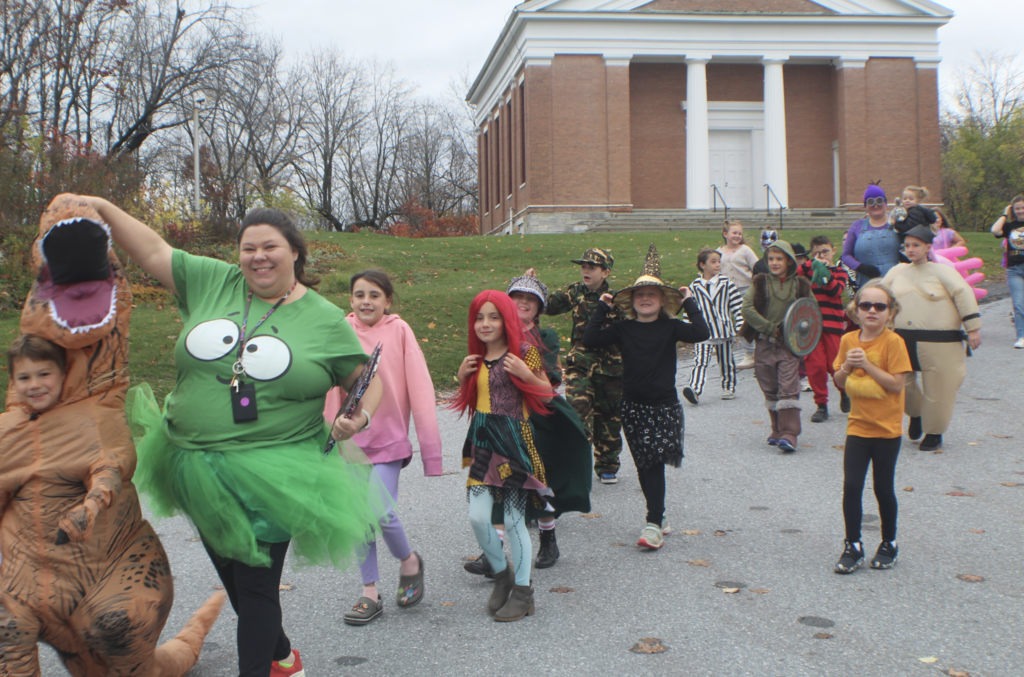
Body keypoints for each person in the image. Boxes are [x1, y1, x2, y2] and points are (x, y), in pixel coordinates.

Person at [91, 199, 386, 677]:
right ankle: (283, 654)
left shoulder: (324, 319)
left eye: (271, 246)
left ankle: (266, 668)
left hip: (277, 473)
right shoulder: (213, 280)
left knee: (254, 588)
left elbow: (368, 381)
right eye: (248, 248)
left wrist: (360, 418)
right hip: (192, 464)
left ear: (295, 252)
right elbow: (152, 250)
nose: (258, 257)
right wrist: (103, 209)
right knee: (236, 580)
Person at [321, 270, 442, 626]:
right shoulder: (340, 330)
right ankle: (369, 592)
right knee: (359, 519)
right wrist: (326, 433)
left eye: (374, 295)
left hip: (389, 439)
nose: (366, 302)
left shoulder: (399, 330)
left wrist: (430, 449)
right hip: (349, 442)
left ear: (387, 301)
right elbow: (327, 386)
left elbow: (420, 387)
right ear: (350, 299)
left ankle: (409, 561)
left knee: (380, 510)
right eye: (359, 294)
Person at [583, 245, 710, 550]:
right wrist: (601, 307)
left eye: (652, 294)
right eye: (640, 295)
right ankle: (660, 513)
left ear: (663, 301)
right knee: (643, 463)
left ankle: (653, 522)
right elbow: (590, 339)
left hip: (663, 406)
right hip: (632, 407)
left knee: (653, 461)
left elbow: (702, 332)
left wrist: (690, 302)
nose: (645, 298)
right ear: (632, 301)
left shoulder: (671, 327)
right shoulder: (623, 328)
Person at [464, 277, 593, 575]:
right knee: (496, 481)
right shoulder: (489, 336)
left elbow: (548, 384)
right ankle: (493, 552)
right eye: (517, 297)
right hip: (499, 422)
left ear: (539, 309)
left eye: (530, 299)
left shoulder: (544, 337)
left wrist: (524, 372)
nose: (523, 303)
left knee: (540, 484)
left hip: (539, 418)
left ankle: (548, 538)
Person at [454, 291, 554, 622]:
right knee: (478, 517)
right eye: (480, 317)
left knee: (513, 521)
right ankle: (501, 575)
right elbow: (472, 396)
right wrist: (461, 376)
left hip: (514, 442)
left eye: (494, 316)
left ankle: (523, 593)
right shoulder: (475, 357)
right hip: (483, 441)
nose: (485, 324)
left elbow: (548, 393)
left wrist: (526, 374)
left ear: (507, 319)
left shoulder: (525, 353)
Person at [832, 280, 912, 574]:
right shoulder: (848, 340)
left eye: (880, 306)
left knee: (882, 488)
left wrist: (866, 364)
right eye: (866, 305)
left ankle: (889, 542)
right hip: (858, 428)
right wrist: (847, 367)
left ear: (890, 313)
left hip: (887, 430)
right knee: (851, 485)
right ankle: (853, 545)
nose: (873, 311)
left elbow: (896, 384)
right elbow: (838, 382)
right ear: (856, 310)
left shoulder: (894, 342)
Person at [882, 225, 982, 451]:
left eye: (915, 245)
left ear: (928, 246)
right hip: (901, 339)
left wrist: (973, 327)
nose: (910, 249)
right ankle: (916, 414)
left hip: (940, 342)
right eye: (907, 245)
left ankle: (934, 431)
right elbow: (880, 297)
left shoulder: (943, 272)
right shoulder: (896, 272)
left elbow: (963, 294)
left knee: (939, 388)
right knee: (901, 384)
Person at [533, 248, 624, 484]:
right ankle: (575, 463)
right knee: (577, 411)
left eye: (592, 267)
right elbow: (547, 306)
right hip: (580, 364)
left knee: (609, 417)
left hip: (611, 368)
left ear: (605, 272)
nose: (586, 270)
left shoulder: (618, 298)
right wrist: (532, 288)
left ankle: (607, 464)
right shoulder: (575, 292)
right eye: (583, 266)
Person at [740, 240, 813, 452]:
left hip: (789, 346)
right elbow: (747, 308)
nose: (774, 262)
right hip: (764, 342)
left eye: (779, 258)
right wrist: (769, 328)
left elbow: (810, 312)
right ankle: (777, 429)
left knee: (788, 387)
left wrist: (797, 331)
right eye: (770, 258)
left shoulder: (801, 285)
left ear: (789, 261)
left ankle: (790, 433)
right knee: (769, 387)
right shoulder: (760, 282)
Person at [797, 235, 851, 422]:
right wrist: (812, 265)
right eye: (817, 253)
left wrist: (825, 272)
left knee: (834, 366)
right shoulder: (809, 270)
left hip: (833, 325)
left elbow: (836, 291)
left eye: (825, 251)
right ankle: (821, 404)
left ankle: (844, 391)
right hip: (811, 327)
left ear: (833, 250)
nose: (822, 256)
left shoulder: (839, 271)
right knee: (815, 366)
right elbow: (795, 273)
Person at [683, 248, 743, 404]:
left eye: (719, 262)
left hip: (723, 329)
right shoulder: (694, 286)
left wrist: (740, 324)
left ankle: (728, 386)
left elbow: (737, 306)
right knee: (700, 360)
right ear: (702, 265)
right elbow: (689, 307)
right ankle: (695, 389)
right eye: (713, 262)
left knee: (726, 360)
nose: (718, 265)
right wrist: (686, 328)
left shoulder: (727, 283)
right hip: (703, 331)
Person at [717, 220, 759, 371]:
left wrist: (757, 286)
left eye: (739, 233)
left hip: (746, 290)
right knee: (726, 320)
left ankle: (750, 355)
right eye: (734, 233)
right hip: (727, 291)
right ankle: (725, 350)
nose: (737, 236)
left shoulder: (745, 250)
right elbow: (716, 271)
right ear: (725, 234)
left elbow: (758, 267)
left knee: (744, 322)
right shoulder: (719, 252)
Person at [842, 184, 901, 287]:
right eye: (870, 202)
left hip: (895, 284)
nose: (876, 205)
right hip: (867, 284)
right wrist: (860, 267)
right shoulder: (857, 226)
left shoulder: (897, 224)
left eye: (879, 201)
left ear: (885, 202)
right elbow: (846, 255)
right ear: (865, 205)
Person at [991, 195, 1024, 349]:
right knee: (1018, 304)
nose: (1020, 211)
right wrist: (1005, 213)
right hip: (1014, 270)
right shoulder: (1010, 226)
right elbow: (995, 230)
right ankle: (1022, 336)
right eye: (1017, 208)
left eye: (1023, 207)